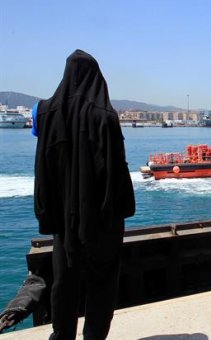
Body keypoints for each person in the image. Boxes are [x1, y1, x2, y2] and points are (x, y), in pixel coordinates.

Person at [34, 50, 135, 340]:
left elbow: (43, 166)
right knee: (102, 282)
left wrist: (46, 211)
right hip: (102, 219)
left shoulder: (44, 112)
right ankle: (93, 336)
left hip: (62, 217)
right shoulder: (106, 117)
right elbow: (117, 171)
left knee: (63, 281)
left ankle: (61, 335)